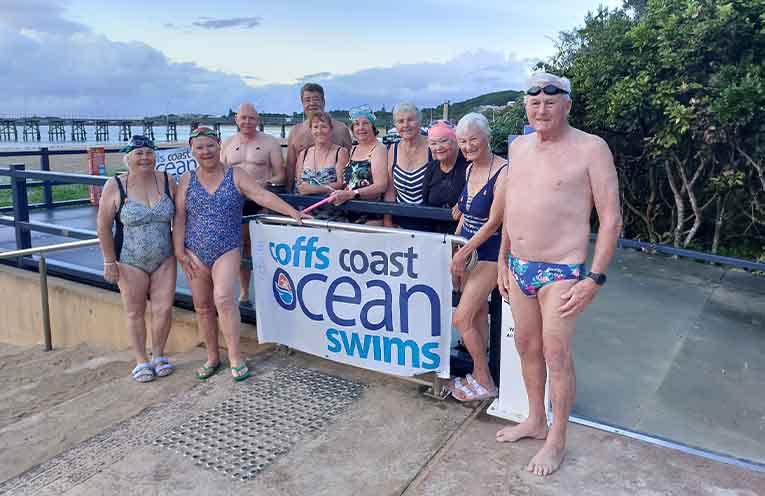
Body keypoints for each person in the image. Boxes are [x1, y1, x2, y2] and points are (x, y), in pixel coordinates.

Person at [495, 72, 622, 477]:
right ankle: (535, 419)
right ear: (525, 107)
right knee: (526, 346)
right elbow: (512, 207)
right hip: (519, 264)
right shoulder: (518, 147)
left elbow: (611, 218)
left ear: (567, 104)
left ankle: (557, 439)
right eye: (534, 102)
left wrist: (594, 279)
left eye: (550, 102)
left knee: (556, 353)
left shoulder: (591, 148)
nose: (541, 109)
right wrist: (502, 259)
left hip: (561, 270)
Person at [173, 127, 308, 382]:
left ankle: (235, 356)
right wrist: (179, 250)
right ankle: (212, 357)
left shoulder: (235, 174)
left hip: (227, 248)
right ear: (192, 151)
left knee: (224, 298)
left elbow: (262, 195)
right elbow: (180, 216)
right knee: (202, 306)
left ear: (219, 146)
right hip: (194, 249)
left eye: (210, 145)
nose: (205, 151)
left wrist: (293, 212)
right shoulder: (187, 179)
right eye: (199, 147)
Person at [96, 135, 177, 383]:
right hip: (129, 259)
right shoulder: (115, 185)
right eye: (138, 153)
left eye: (149, 153)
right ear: (128, 158)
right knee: (134, 311)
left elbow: (181, 216)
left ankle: (158, 355)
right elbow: (103, 226)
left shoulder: (167, 180)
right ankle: (141, 360)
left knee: (163, 309)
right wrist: (109, 261)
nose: (144, 158)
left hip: (165, 257)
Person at [449, 113, 508, 402]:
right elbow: (465, 214)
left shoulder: (504, 171)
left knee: (461, 319)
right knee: (478, 314)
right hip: (468, 250)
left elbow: (494, 222)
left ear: (488, 138)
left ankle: (485, 379)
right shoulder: (470, 169)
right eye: (462, 141)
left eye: (473, 139)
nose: (468, 146)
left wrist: (463, 252)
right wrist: (455, 246)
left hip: (490, 253)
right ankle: (478, 372)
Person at [221, 103, 286, 304]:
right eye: (243, 117)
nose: (247, 121)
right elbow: (220, 173)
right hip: (234, 201)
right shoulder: (228, 143)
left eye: (251, 118)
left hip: (259, 200)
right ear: (236, 120)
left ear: (258, 120)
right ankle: (243, 292)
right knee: (236, 247)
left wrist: (265, 185)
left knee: (260, 247)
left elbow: (281, 174)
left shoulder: (270, 142)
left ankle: (270, 294)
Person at [286, 83, 353, 191]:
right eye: (307, 100)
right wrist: (288, 191)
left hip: (333, 194)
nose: (312, 103)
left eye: (316, 99)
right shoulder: (295, 132)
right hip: (303, 192)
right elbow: (290, 165)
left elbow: (351, 163)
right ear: (302, 103)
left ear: (323, 102)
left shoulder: (341, 129)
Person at [332, 109, 388, 224]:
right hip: (349, 212)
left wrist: (352, 194)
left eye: (365, 123)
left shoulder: (379, 149)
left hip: (370, 214)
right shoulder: (353, 149)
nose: (361, 128)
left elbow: (381, 186)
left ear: (373, 127)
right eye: (357, 124)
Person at [383, 103, 431, 230]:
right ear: (395, 125)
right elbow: (390, 190)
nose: (405, 125)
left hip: (430, 222)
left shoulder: (433, 146)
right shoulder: (392, 150)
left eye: (410, 120)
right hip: (400, 221)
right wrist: (387, 220)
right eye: (400, 121)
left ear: (419, 122)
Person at [294, 111, 349, 218]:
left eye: (324, 126)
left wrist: (314, 189)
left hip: (331, 212)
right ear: (311, 130)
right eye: (315, 127)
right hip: (305, 212)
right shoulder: (303, 154)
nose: (319, 131)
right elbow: (299, 185)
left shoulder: (341, 152)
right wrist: (326, 188)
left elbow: (341, 184)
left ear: (331, 129)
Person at [421, 120, 468, 233]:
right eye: (433, 143)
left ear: (455, 141)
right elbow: (425, 202)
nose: (438, 147)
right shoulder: (431, 168)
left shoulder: (469, 165)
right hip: (435, 233)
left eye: (444, 141)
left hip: (462, 233)